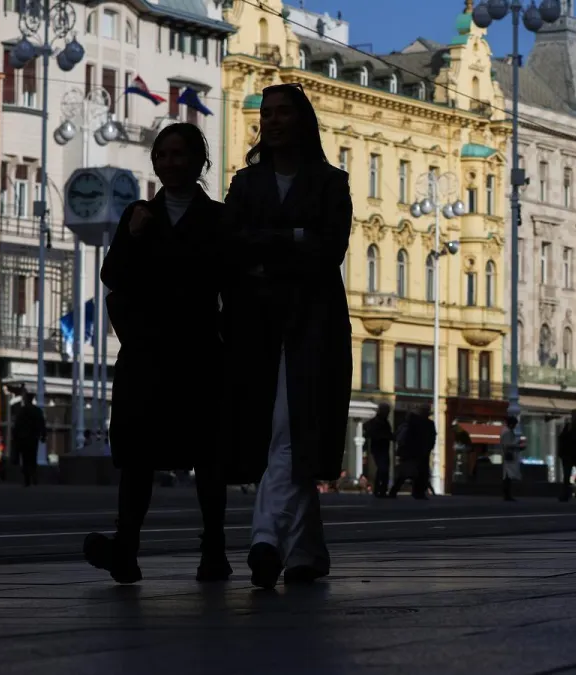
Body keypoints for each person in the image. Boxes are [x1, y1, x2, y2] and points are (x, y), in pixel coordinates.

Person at [83, 123, 230, 585]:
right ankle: (126, 547)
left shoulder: (218, 219)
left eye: (179, 154)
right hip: (146, 353)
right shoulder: (139, 214)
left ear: (198, 161)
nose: (169, 163)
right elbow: (114, 275)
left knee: (207, 455)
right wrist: (135, 233)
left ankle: (214, 549)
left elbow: (232, 284)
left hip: (199, 352)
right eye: (162, 155)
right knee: (137, 455)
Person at [221, 84, 354, 590]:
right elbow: (231, 245)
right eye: (266, 114)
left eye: (283, 113)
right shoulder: (246, 183)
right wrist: (295, 237)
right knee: (283, 433)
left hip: (313, 324)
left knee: (290, 430)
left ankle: (264, 540)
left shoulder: (330, 182)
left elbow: (330, 250)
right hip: (256, 325)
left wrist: (266, 245)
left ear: (303, 121)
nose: (273, 121)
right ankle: (306, 552)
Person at [390, 405, 437, 499]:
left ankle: (414, 492)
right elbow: (431, 437)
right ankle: (416, 492)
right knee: (412, 472)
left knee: (413, 473)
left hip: (415, 451)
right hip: (416, 451)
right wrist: (428, 447)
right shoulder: (423, 423)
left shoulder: (415, 423)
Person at [13, 393, 46, 487]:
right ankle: (33, 474)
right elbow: (42, 423)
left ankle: (27, 478)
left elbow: (17, 425)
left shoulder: (22, 411)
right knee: (33, 456)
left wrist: (15, 437)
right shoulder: (37, 411)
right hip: (33, 437)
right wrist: (43, 435)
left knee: (25, 458)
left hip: (23, 438)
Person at [363, 403, 394, 497]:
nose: (388, 413)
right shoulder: (377, 421)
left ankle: (381, 490)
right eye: (386, 411)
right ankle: (379, 490)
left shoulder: (384, 422)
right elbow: (367, 429)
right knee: (382, 468)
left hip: (383, 448)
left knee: (383, 469)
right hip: (378, 448)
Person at [500, 415, 522, 502]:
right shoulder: (507, 432)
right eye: (514, 424)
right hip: (508, 455)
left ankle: (507, 494)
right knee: (508, 475)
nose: (515, 426)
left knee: (507, 475)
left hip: (507, 455)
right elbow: (507, 445)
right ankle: (507, 495)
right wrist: (517, 445)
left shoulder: (505, 431)